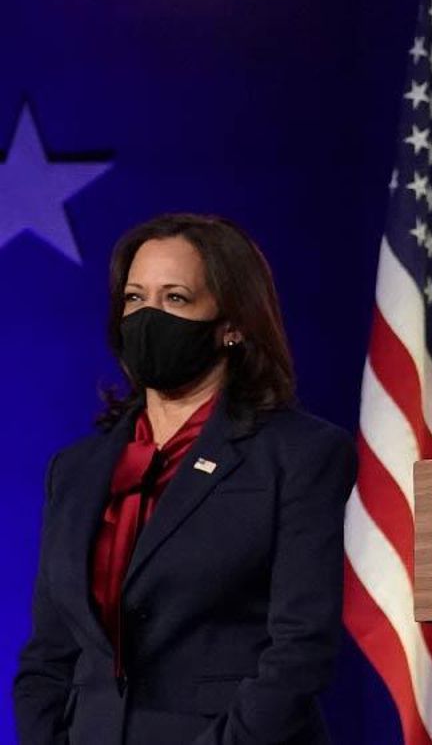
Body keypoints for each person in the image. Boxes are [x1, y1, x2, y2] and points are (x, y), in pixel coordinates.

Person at [13, 213, 356, 744]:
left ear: (232, 324)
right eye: (135, 298)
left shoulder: (299, 454)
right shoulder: (76, 470)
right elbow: (48, 656)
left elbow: (300, 649)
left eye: (175, 298)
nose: (148, 316)